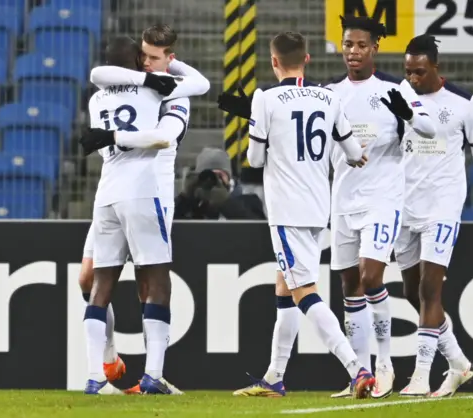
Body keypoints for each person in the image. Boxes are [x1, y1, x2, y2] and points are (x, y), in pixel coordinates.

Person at [234, 30, 377, 399]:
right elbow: (351, 151)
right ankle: (275, 376)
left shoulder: (265, 97)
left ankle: (356, 368)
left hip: (287, 210)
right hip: (318, 208)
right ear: (307, 59)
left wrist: (258, 125)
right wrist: (357, 153)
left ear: (274, 62)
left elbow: (253, 159)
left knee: (303, 292)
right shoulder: (328, 97)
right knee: (285, 286)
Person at [80, 24, 209, 394]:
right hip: (142, 189)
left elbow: (101, 78)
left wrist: (113, 135)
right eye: (144, 56)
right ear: (137, 59)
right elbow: (165, 130)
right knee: (154, 282)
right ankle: (151, 374)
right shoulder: (156, 92)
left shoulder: (97, 99)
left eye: (156, 57)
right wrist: (149, 81)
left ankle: (95, 376)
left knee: (102, 284)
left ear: (168, 57)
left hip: (108, 192)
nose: (149, 64)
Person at [325, 16, 437, 399]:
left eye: (360, 45)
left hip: (382, 198)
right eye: (347, 45)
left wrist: (408, 115)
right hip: (342, 199)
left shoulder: (395, 87)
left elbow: (429, 127)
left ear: (375, 48)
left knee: (372, 277)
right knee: (349, 287)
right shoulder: (329, 93)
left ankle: (385, 364)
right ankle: (360, 374)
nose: (352, 52)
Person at [394, 34, 473, 397]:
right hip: (404, 205)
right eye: (407, 72)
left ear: (435, 67)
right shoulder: (400, 97)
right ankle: (459, 363)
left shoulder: (464, 103)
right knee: (411, 291)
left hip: (443, 206)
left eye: (419, 72)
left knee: (429, 288)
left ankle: (421, 375)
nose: (412, 79)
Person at [174, 147, 266, 220]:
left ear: (229, 178)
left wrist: (226, 203)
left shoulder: (250, 201)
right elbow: (166, 224)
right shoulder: (195, 205)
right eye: (209, 175)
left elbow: (258, 229)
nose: (214, 180)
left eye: (220, 175)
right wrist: (185, 198)